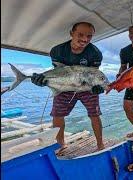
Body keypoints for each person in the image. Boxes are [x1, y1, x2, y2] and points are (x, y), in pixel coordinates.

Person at [31, 22, 105, 151]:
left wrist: (97, 87)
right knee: (57, 115)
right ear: (71, 33)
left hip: (86, 87)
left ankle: (100, 145)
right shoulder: (57, 51)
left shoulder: (95, 53)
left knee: (95, 114)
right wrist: (43, 80)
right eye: (80, 35)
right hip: (64, 86)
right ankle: (61, 145)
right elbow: (58, 72)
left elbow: (94, 74)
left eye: (89, 36)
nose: (84, 39)